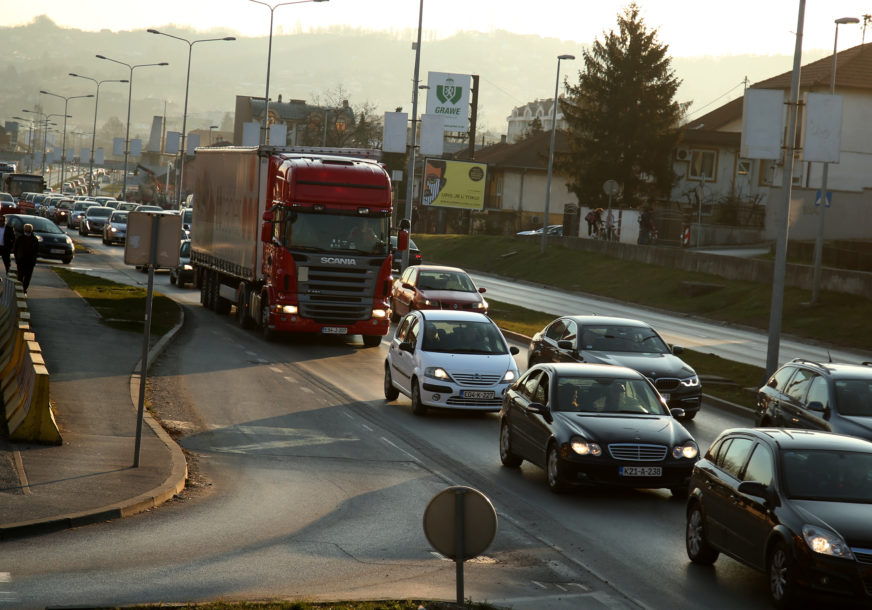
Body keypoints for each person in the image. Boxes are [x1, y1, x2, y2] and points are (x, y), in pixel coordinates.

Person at [13, 223, 40, 293]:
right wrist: (17, 258)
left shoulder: (34, 239)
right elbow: (15, 249)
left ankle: (24, 288)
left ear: (31, 230)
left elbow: (37, 250)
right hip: (21, 260)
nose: (27, 230)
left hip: (30, 261)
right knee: (20, 275)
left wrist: (34, 259)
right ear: (24, 229)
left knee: (28, 276)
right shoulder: (20, 238)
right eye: (26, 229)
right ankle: (19, 288)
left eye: (29, 229)